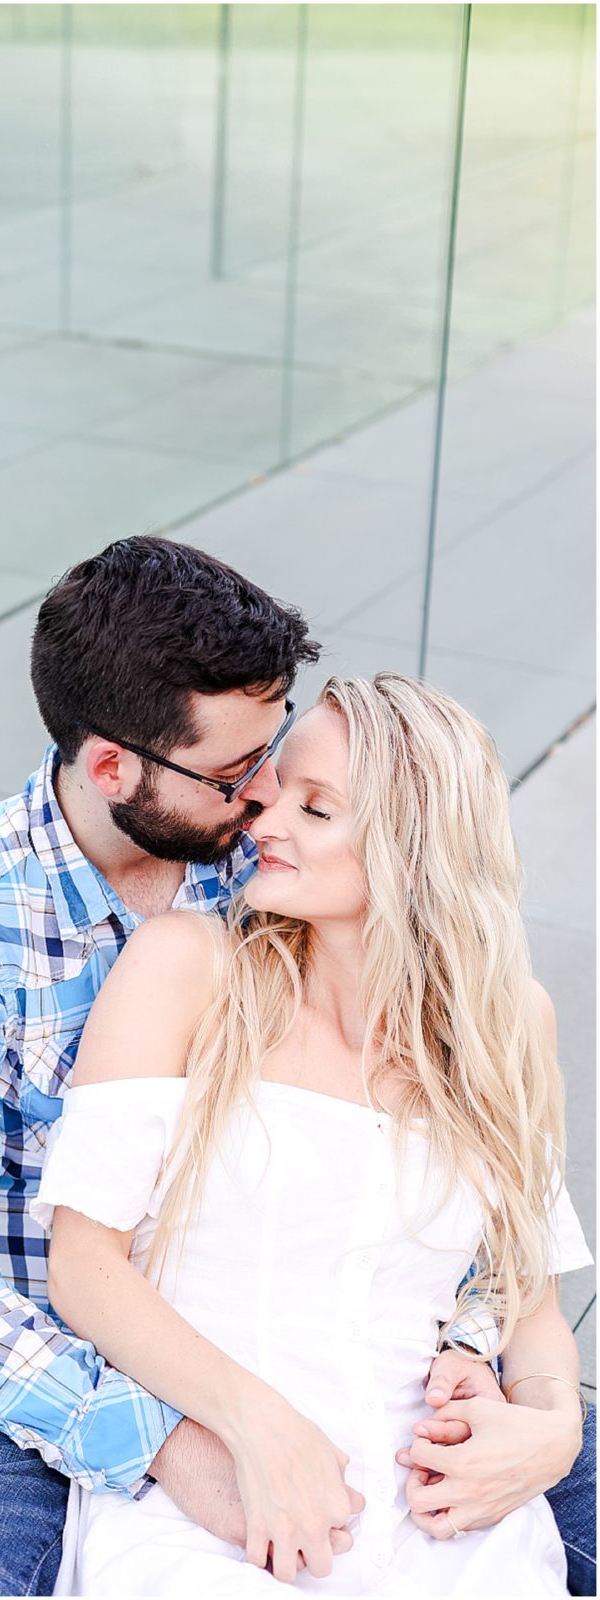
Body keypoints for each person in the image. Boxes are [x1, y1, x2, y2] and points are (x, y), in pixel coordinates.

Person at [0, 538, 594, 1597]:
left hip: (369, 1330)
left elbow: (488, 1235)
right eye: (240, 776)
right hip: (61, 1363)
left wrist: (526, 1403)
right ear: (114, 769)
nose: (261, 801)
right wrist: (174, 1439)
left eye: (278, 764)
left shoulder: (278, 854)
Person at [36, 673, 592, 1593]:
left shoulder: (509, 1025)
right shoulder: (185, 968)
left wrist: (545, 1427)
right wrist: (250, 1423)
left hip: (442, 1506)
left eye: (316, 807)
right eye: (274, 787)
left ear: (413, 851)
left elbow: (522, 1289)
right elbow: (83, 1265)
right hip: (217, 1503)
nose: (263, 818)